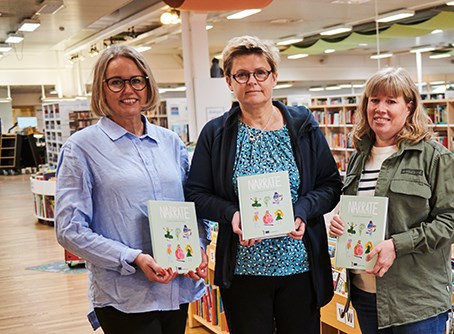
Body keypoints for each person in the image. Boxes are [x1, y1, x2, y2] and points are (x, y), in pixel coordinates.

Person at [184, 36, 342, 333]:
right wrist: (233, 215)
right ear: (229, 81)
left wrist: (302, 210)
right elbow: (196, 193)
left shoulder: (304, 126)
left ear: (274, 77)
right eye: (241, 74)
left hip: (300, 269)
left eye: (260, 73)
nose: (252, 81)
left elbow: (331, 185)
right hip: (243, 273)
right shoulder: (216, 133)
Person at [54, 44, 207, 334]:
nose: (129, 90)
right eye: (116, 82)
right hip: (125, 295)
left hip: (177, 287)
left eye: (136, 80)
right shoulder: (81, 148)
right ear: (102, 88)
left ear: (147, 85)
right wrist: (132, 257)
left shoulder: (170, 142)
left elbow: (192, 204)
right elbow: (69, 229)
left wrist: (198, 247)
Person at [327, 67, 454, 333]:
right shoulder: (359, 157)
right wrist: (340, 226)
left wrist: (397, 245)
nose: (380, 108)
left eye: (391, 101)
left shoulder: (434, 157)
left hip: (414, 299)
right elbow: (359, 213)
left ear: (409, 107)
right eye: (374, 100)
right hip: (366, 295)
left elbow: (453, 222)